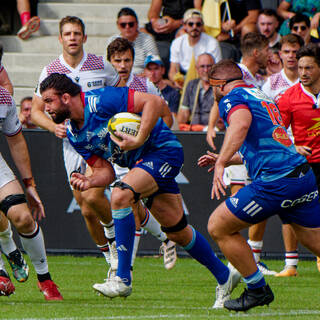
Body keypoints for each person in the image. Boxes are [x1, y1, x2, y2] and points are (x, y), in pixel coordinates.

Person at [40, 72, 241, 307]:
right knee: (177, 231)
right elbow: (106, 171)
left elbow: (154, 102)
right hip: (141, 165)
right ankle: (226, 277)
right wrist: (90, 182)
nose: (46, 109)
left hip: (163, 150)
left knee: (121, 194)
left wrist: (139, 138)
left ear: (65, 97)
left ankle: (122, 279)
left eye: (48, 101)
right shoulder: (74, 134)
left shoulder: (100, 101)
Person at [199, 59, 320, 311]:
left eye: (212, 87)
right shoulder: (260, 95)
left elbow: (240, 124)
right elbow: (263, 145)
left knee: (218, 225)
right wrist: (226, 158)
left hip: (275, 182)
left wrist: (221, 162)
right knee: (315, 242)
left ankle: (257, 289)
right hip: (300, 175)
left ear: (219, 85)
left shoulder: (231, 98)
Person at [31, 16, 120, 281]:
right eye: (67, 33)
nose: (72, 37)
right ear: (60, 38)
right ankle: (109, 256)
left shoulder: (100, 65)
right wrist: (52, 127)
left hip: (102, 140)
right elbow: (36, 112)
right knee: (84, 207)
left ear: (84, 37)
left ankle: (117, 242)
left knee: (95, 196)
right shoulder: (50, 71)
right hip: (72, 144)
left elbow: (120, 94)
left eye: (77, 33)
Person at [106, 37, 178, 272]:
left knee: (129, 206)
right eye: (117, 60)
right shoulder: (101, 89)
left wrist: (149, 139)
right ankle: (166, 240)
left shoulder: (145, 87)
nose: (122, 65)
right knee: (114, 206)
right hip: (112, 155)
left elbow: (167, 117)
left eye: (127, 60)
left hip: (138, 157)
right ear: (109, 62)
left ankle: (124, 271)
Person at [0, 85, 63, 300]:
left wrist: (29, 184)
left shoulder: (3, 99)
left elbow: (16, 141)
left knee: (24, 218)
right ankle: (2, 269)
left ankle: (45, 279)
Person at [277, 43, 320, 274]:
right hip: (303, 163)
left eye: (309, 68)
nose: (303, 73)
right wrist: (293, 148)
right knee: (292, 211)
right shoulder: (289, 97)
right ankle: (290, 264)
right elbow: (277, 133)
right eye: (301, 67)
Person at [168, 9, 222, 89]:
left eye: (198, 24)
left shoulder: (212, 43)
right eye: (191, 24)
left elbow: (217, 70)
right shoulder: (177, 43)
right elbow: (172, 71)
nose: (194, 27)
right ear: (184, 25)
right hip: (184, 79)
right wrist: (176, 81)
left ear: (202, 26)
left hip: (206, 78)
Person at [144, 0, 195, 72]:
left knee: (182, 34)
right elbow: (152, 13)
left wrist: (176, 23)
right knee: (142, 32)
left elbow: (198, 13)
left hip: (185, 24)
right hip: (167, 22)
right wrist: (155, 22)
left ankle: (179, 71)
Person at [105, 7, 159, 75]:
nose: (127, 27)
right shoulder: (112, 40)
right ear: (118, 25)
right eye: (123, 25)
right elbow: (107, 65)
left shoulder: (147, 39)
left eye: (131, 24)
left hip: (142, 78)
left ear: (137, 24)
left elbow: (156, 65)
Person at [177, 53, 215, 130]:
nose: (206, 70)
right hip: (194, 131)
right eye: (202, 66)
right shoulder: (191, 85)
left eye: (209, 66)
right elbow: (184, 113)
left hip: (214, 131)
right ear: (196, 69)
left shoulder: (220, 86)